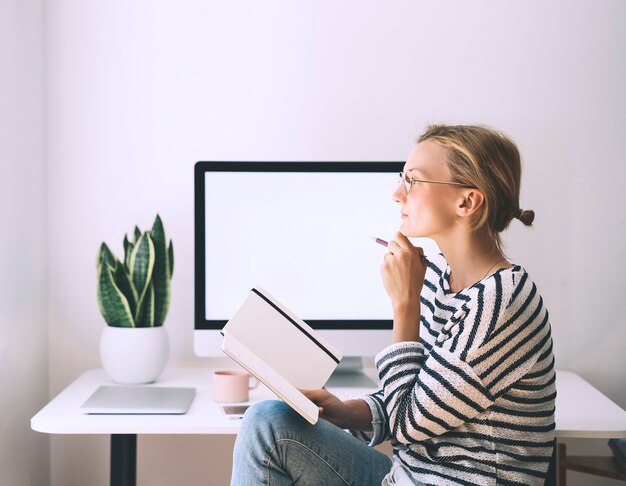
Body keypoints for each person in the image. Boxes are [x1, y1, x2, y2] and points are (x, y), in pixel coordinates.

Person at [230, 124, 556, 486]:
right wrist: (348, 411)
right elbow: (418, 396)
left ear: (467, 201)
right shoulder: (440, 279)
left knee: (266, 426)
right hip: (406, 478)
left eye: (413, 181)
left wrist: (404, 305)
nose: (397, 193)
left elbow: (407, 424)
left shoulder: (501, 302)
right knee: (268, 422)